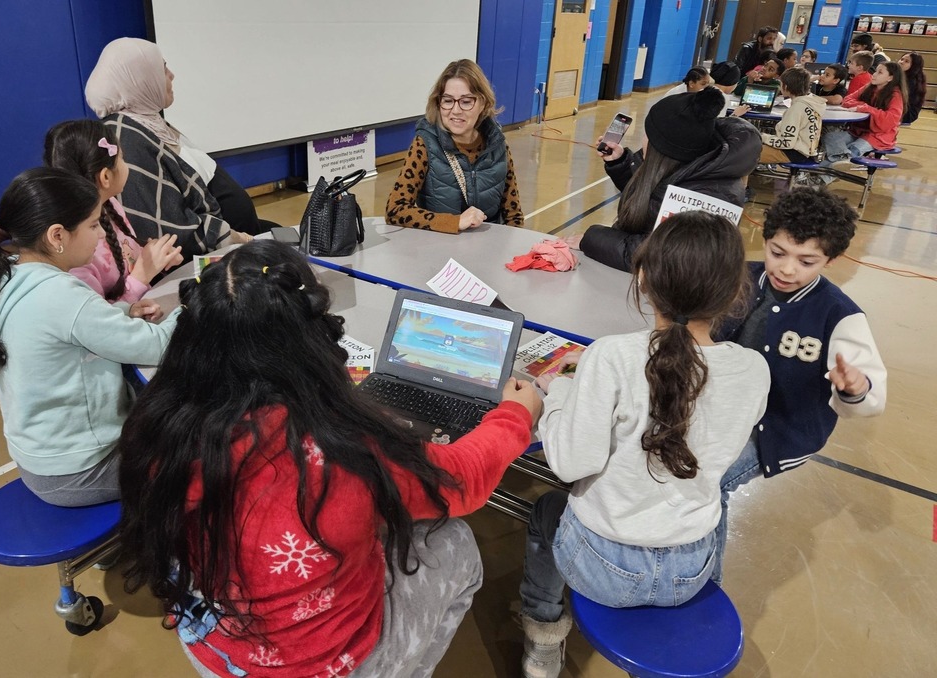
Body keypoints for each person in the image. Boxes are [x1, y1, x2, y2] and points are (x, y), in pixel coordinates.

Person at [115, 240, 542, 677]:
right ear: (310, 335)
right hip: (327, 664)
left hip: (216, 648)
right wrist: (515, 416)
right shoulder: (341, 449)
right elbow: (462, 482)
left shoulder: (158, 426)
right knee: (456, 543)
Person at [518, 211, 770, 678]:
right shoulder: (754, 368)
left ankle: (542, 639)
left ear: (643, 279)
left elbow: (570, 464)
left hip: (602, 567)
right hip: (690, 570)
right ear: (735, 291)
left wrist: (559, 392)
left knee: (545, 510)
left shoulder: (611, 356)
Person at [0, 167, 179, 507]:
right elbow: (159, 345)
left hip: (44, 463)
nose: (102, 235)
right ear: (57, 236)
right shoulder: (61, 294)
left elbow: (71, 328)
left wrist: (122, 313)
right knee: (208, 451)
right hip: (83, 470)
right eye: (92, 225)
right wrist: (196, 305)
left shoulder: (8, 273)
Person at [712, 187, 886, 582]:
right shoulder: (742, 276)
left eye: (807, 261)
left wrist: (854, 387)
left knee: (710, 483)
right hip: (723, 408)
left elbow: (871, 398)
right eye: (777, 252)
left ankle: (707, 588)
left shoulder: (839, 315)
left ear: (832, 260)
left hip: (778, 431)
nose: (787, 269)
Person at [85, 38, 275, 261]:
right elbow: (167, 229)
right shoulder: (127, 138)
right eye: (163, 68)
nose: (171, 75)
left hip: (235, 242)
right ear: (140, 79)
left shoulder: (147, 122)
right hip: (217, 257)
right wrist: (238, 238)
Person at [578, 87, 760, 272]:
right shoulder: (683, 163)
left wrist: (592, 238)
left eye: (647, 135)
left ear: (662, 147)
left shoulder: (710, 194)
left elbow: (662, 256)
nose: (643, 140)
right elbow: (651, 200)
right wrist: (622, 163)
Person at [44, 120, 183, 302]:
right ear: (106, 176)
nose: (100, 232)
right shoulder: (75, 246)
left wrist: (155, 259)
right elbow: (98, 319)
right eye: (122, 158)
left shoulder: (110, 205)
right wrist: (142, 275)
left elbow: (125, 260)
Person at [385, 59, 524, 234]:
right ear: (438, 103)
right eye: (448, 100)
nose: (456, 110)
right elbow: (395, 210)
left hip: (487, 249)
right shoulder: (425, 144)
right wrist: (454, 222)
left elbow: (514, 217)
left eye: (466, 101)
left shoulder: (497, 145)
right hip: (440, 251)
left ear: (483, 103)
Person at [822, 61, 906, 170]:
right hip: (859, 130)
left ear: (890, 78)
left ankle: (817, 179)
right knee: (830, 136)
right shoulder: (870, 87)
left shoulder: (895, 95)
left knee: (853, 149)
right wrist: (863, 106)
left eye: (880, 72)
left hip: (878, 136)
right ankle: (843, 159)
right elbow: (847, 100)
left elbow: (890, 120)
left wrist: (866, 108)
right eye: (875, 71)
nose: (874, 74)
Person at [734, 68, 825, 164]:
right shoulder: (812, 103)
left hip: (793, 152)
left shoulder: (796, 109)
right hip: (806, 151)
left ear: (785, 86)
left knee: (742, 154)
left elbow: (787, 143)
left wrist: (762, 137)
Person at [898, 52, 927, 124]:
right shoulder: (900, 76)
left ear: (914, 66)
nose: (901, 62)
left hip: (907, 114)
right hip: (900, 109)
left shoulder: (912, 81)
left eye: (906, 61)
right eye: (901, 59)